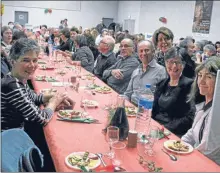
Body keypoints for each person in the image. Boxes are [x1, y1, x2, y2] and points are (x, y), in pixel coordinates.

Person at [1, 38, 74, 131]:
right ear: (12, 61)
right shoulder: (12, 86)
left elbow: (33, 98)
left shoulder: (18, 78)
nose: (32, 65)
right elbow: (42, 118)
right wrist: (54, 103)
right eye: (26, 60)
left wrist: (55, 96)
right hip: (10, 139)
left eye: (35, 60)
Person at [182, 57, 220, 165]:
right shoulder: (204, 104)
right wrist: (179, 144)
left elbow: (208, 150)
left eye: (208, 77)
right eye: (200, 75)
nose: (201, 81)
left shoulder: (217, 112)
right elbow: (193, 132)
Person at [152, 47, 195, 137]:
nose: (174, 66)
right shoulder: (161, 83)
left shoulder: (189, 85)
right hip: (156, 127)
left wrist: (165, 128)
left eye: (178, 62)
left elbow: (190, 117)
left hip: (173, 132)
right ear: (165, 63)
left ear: (183, 64)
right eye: (171, 62)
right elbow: (154, 110)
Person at [124, 40, 167, 105]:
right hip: (132, 108)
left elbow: (163, 99)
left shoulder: (161, 71)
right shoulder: (136, 71)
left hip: (148, 109)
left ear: (153, 52)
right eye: (141, 51)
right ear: (137, 53)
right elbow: (127, 94)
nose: (143, 53)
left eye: (146, 50)